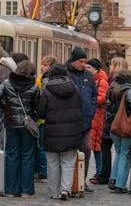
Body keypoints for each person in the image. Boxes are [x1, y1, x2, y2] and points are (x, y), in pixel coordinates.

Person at [36, 63, 83, 201]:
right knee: (68, 163)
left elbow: (41, 113)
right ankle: (65, 189)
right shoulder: (74, 88)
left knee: (53, 164)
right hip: (71, 132)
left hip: (52, 133)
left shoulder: (47, 90)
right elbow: (81, 108)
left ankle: (54, 192)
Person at [0, 60, 39, 198]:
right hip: (28, 125)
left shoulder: (7, 83)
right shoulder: (34, 86)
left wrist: (6, 108)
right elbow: (38, 106)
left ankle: (11, 190)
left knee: (11, 156)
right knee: (27, 156)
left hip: (11, 123)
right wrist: (33, 116)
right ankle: (26, 190)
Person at [106, 69, 131, 194]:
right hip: (126, 127)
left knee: (118, 152)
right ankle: (120, 184)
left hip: (114, 126)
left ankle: (113, 179)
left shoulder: (112, 88)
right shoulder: (129, 91)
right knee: (125, 153)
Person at [65, 47, 97, 192]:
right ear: (73, 60)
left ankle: (81, 181)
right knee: (69, 152)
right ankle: (69, 182)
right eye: (81, 61)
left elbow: (94, 95)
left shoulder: (88, 76)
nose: (83, 64)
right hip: (70, 121)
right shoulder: (65, 74)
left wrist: (91, 110)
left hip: (85, 121)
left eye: (85, 61)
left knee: (86, 150)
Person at [94, 57, 129, 185]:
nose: (109, 67)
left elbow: (109, 102)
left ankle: (109, 176)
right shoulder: (127, 82)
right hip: (120, 120)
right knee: (119, 151)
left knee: (110, 149)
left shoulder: (114, 82)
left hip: (112, 120)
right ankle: (112, 178)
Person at [85, 58, 108, 186]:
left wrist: (90, 100)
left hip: (98, 117)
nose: (86, 69)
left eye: (89, 67)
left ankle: (100, 172)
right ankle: (99, 172)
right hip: (94, 116)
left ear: (96, 69)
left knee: (97, 147)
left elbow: (102, 98)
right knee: (94, 147)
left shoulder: (101, 80)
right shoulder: (93, 79)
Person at [35, 55, 57, 181]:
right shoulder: (39, 79)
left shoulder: (44, 80)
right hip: (44, 119)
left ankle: (43, 171)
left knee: (42, 146)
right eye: (42, 65)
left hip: (44, 119)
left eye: (45, 65)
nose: (42, 67)